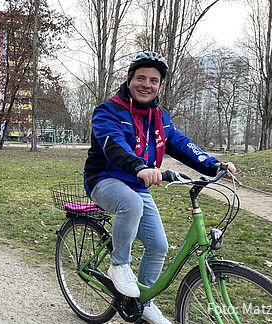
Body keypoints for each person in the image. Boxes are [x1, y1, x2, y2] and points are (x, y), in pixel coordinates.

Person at [83, 51, 236, 324]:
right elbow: (112, 144)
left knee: (159, 246)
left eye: (153, 80)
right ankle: (119, 265)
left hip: (138, 185)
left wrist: (214, 166)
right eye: (140, 78)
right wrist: (140, 167)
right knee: (129, 203)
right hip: (104, 179)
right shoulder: (108, 111)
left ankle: (143, 301)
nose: (146, 84)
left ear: (159, 86)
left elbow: (182, 145)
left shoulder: (160, 117)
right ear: (130, 80)